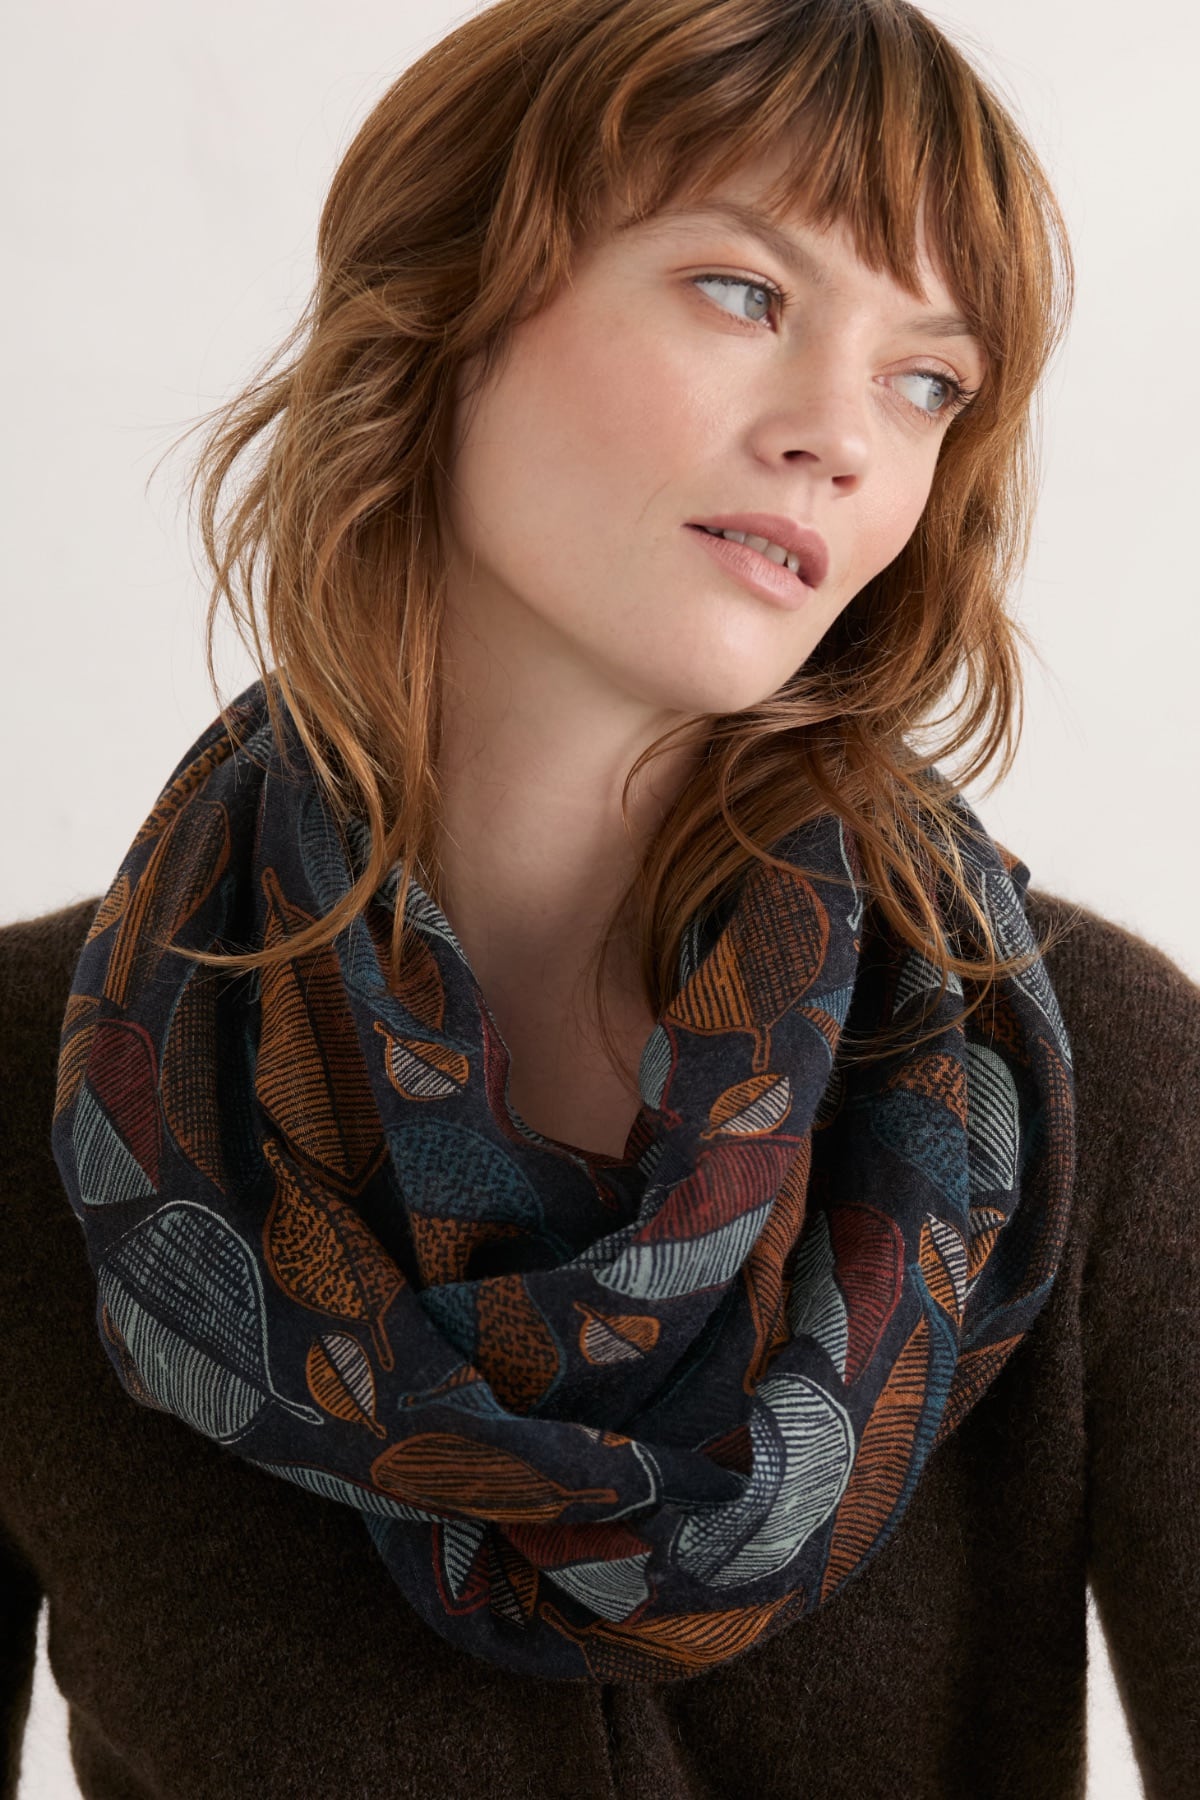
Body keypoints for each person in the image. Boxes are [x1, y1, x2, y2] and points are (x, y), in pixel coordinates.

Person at [3, 0, 1197, 1794]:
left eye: (926, 381)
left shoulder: (1083, 1082)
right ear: (452, 294)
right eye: (743, 291)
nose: (841, 435)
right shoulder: (34, 1077)